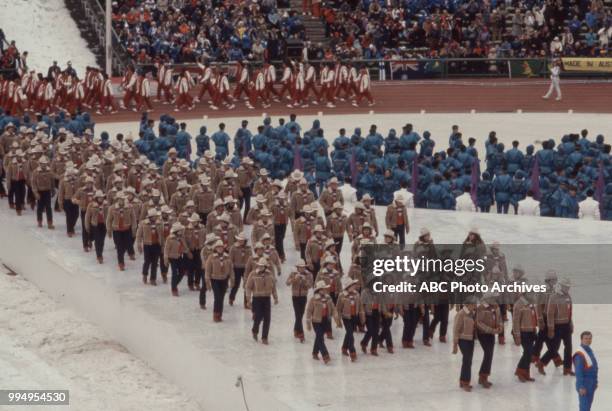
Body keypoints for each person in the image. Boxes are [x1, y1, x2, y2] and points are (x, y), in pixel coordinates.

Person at [539, 278, 574, 376]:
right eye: (565, 286)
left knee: (568, 348)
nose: (567, 288)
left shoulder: (568, 297)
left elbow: (569, 312)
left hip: (566, 326)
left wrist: (570, 323)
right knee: (554, 348)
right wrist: (551, 328)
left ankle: (567, 368)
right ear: (560, 286)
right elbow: (550, 314)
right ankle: (541, 363)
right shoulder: (554, 297)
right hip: (557, 326)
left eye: (568, 287)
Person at [245, 257, 278, 344]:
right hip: (257, 298)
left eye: (263, 266)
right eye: (260, 266)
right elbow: (248, 287)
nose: (261, 267)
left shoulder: (270, 274)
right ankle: (255, 330)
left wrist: (275, 297)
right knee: (258, 316)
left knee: (267, 318)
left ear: (266, 267)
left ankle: (264, 337)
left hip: (267, 298)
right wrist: (248, 299)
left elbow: (273, 287)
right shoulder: (253, 274)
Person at [306, 280, 340, 364]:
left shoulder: (328, 298)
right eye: (322, 289)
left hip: (325, 320)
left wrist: (336, 316)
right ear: (318, 290)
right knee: (320, 337)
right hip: (316, 321)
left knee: (319, 337)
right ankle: (325, 355)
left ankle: (314, 353)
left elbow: (333, 308)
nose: (324, 290)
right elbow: (309, 311)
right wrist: (308, 322)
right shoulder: (313, 299)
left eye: (325, 289)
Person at [476, 293, 503, 388]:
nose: (495, 299)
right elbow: (478, 322)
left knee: (490, 354)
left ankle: (484, 376)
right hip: (483, 334)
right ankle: (483, 377)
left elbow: (499, 319)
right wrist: (490, 330)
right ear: (488, 298)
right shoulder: (481, 307)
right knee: (488, 353)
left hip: (492, 334)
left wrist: (500, 327)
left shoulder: (496, 306)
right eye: (493, 297)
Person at [205, 240, 235, 322]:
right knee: (217, 297)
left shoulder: (227, 257)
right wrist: (207, 282)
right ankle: (216, 314)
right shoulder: (211, 257)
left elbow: (231, 269)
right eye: (218, 247)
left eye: (221, 247)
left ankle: (220, 314)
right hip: (215, 280)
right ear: (215, 248)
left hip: (224, 280)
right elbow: (207, 270)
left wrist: (232, 279)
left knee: (221, 298)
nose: (220, 249)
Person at [512, 292, 538, 382]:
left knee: (529, 353)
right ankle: (520, 372)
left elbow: (533, 316)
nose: (533, 295)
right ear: (525, 294)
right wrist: (517, 336)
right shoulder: (518, 304)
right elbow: (515, 322)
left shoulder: (530, 303)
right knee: (527, 352)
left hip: (531, 331)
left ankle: (526, 373)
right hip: (523, 333)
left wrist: (535, 328)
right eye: (531, 293)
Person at [286, 260, 313, 342]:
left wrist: (304, 280)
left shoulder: (309, 274)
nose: (301, 269)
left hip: (303, 296)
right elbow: (287, 283)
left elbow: (310, 286)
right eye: (300, 267)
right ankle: (301, 333)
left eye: (303, 267)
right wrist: (295, 278)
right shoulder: (293, 274)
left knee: (300, 315)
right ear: (297, 267)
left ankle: (296, 329)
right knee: (298, 314)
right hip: (295, 296)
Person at [453, 299, 476, 392]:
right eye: (473, 304)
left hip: (471, 340)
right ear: (467, 304)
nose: (474, 306)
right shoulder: (461, 314)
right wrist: (455, 344)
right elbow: (456, 329)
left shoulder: (472, 314)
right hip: (463, 340)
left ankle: (463, 380)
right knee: (467, 360)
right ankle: (465, 382)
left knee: (468, 361)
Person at [336, 279, 362, 361]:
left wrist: (362, 316)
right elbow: (338, 308)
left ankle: (344, 348)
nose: (354, 286)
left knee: (349, 333)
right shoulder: (342, 295)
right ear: (348, 287)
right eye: (352, 285)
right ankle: (352, 352)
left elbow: (360, 306)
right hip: (346, 317)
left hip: (355, 316)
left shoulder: (357, 294)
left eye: (354, 285)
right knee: (350, 335)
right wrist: (338, 320)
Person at [573, 331, 598, 411]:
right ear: (581, 339)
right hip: (584, 384)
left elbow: (594, 367)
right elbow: (578, 372)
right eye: (586, 338)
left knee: (588, 407)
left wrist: (595, 382)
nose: (588, 340)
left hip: (591, 383)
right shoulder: (580, 354)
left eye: (590, 338)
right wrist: (581, 386)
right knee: (584, 408)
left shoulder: (589, 350)